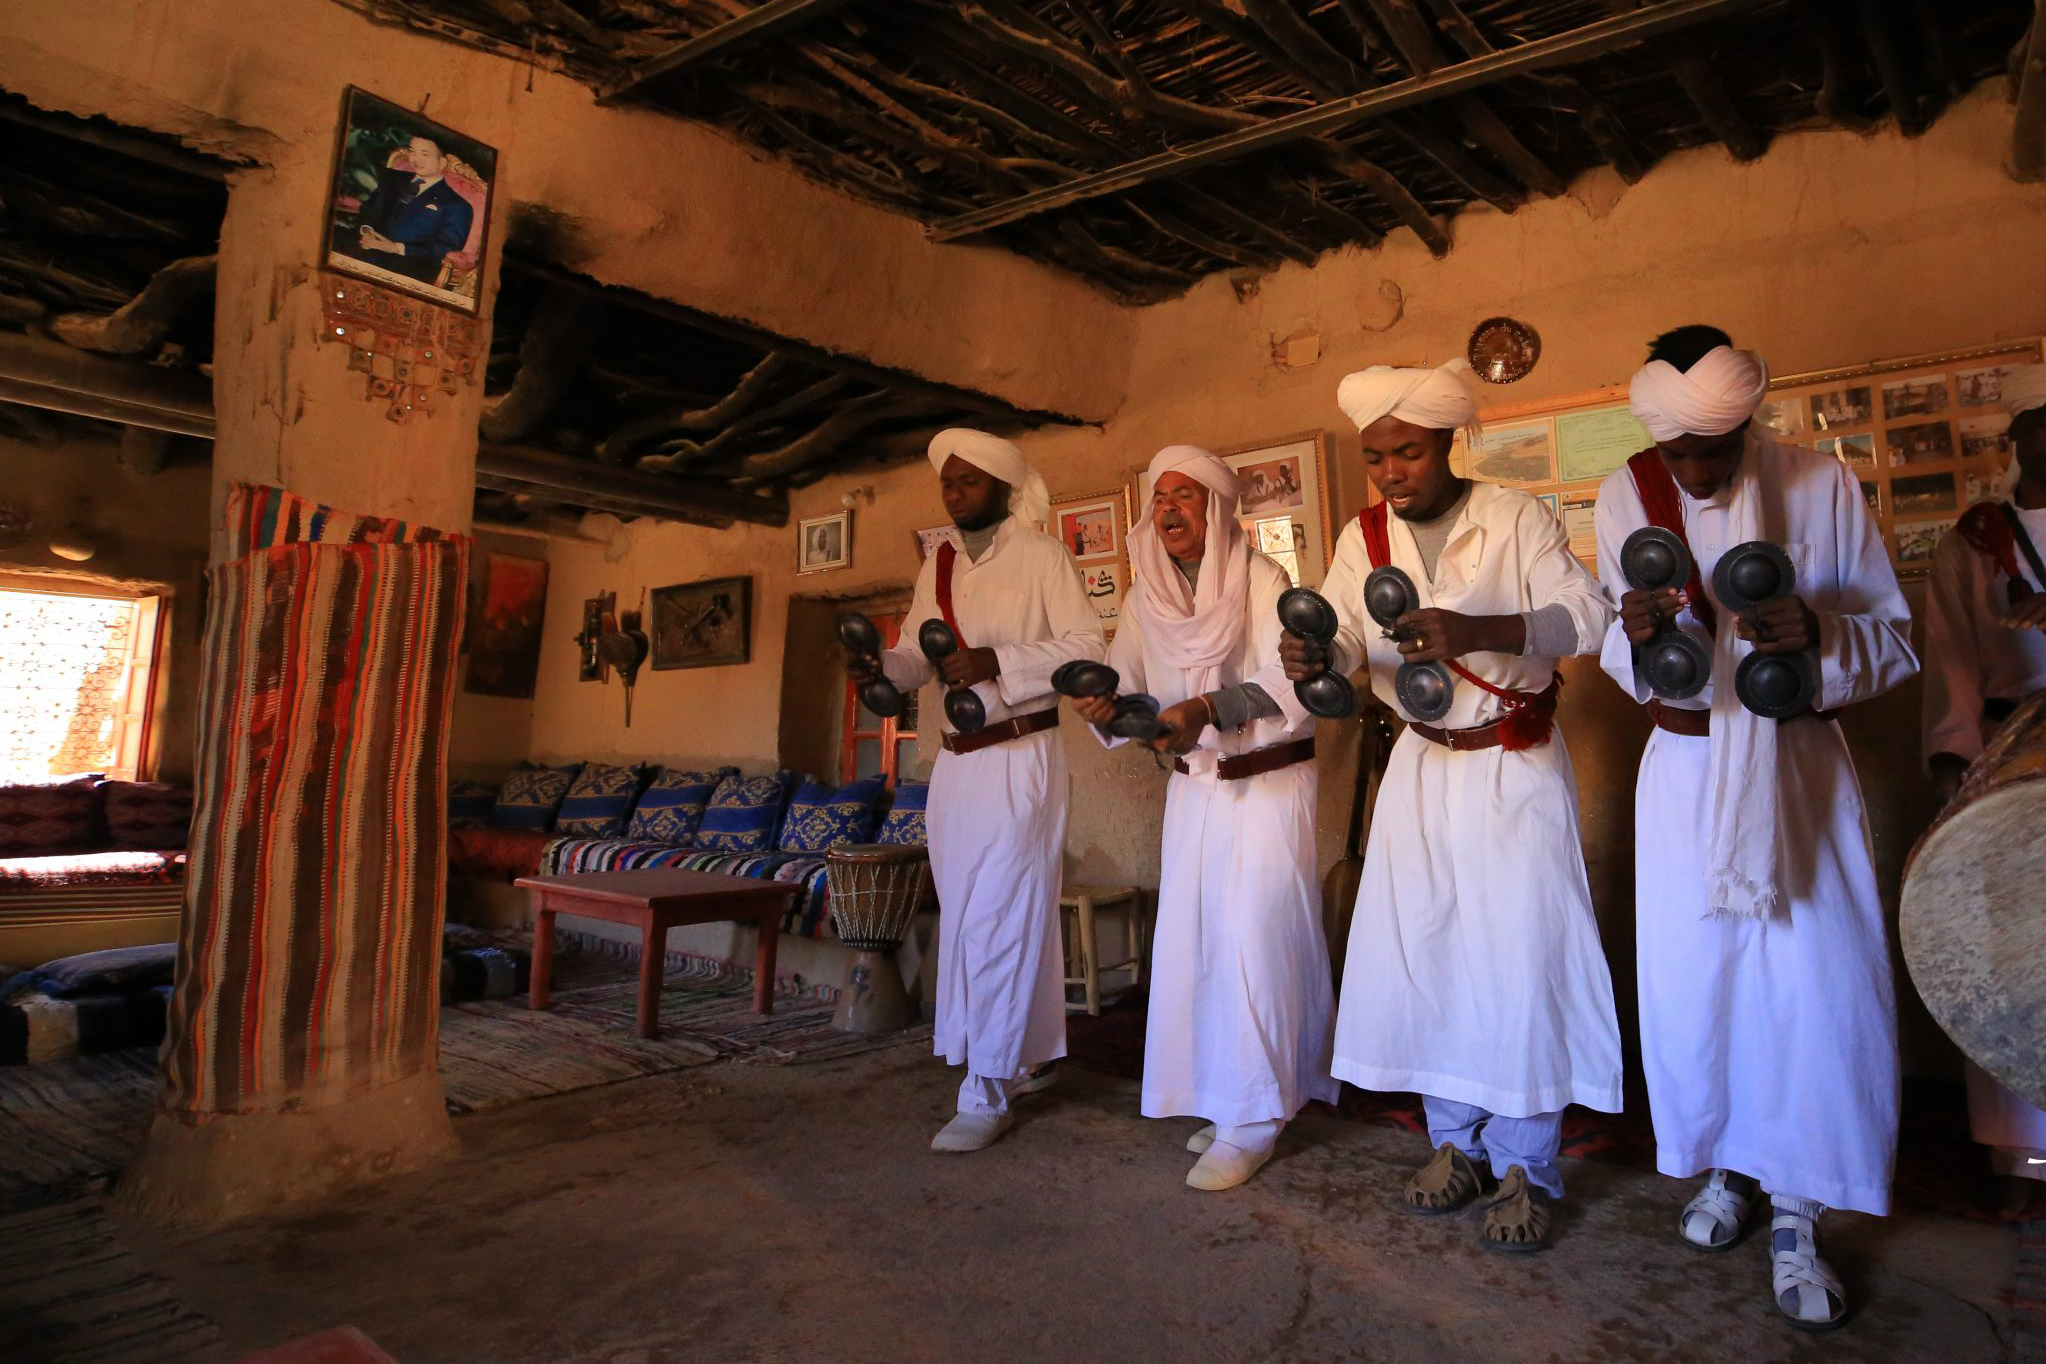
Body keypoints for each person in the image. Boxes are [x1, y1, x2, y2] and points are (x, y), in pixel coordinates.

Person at [1594, 326, 1918, 1330]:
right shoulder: (1624, 494)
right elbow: (1619, 640)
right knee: (1703, 984)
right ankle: (1727, 1169)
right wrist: (1638, 634)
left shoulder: (1820, 485)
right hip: (1687, 774)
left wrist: (1822, 633)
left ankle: (1799, 1206)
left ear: (1749, 421)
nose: (1694, 472)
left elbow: (1895, 639)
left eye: (1715, 449)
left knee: (1809, 989)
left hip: (1796, 773)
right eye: (1680, 452)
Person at [1284, 359, 1622, 1252]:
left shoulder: (1513, 516)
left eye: (1409, 453)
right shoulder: (1364, 536)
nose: (1393, 473)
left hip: (1511, 766)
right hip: (1421, 771)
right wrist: (1319, 654)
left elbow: (1587, 616)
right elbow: (1347, 628)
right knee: (1428, 953)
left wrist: (1482, 631)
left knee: (1518, 964)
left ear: (1448, 445)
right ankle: (1456, 1144)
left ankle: (1527, 1163)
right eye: (1377, 458)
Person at [1065, 445, 1337, 1191]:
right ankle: (1229, 1099)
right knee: (1203, 946)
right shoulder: (1145, 596)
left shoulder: (1262, 580)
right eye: (1161, 499)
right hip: (1195, 790)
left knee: (1256, 941)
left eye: (1186, 497)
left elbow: (1288, 684)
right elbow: (1133, 694)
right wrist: (1109, 709)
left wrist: (1207, 708)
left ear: (1215, 510)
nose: (1171, 510)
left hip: (1269, 787)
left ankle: (1255, 1119)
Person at [850, 429, 1104, 1152]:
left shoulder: (1043, 556)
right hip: (956, 766)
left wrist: (1001, 660)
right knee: (972, 919)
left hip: (1021, 755)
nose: (955, 492)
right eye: (948, 483)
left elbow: (1089, 647)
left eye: (967, 481)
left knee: (1002, 916)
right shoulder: (939, 565)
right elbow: (911, 654)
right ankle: (1029, 1054)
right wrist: (879, 668)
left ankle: (986, 1087)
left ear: (1000, 486)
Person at [1919, 361, 2046, 1213]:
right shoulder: (1975, 539)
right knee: (2009, 952)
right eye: (2036, 428)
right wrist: (1954, 767)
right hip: (2010, 754)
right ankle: (2021, 1156)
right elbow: (1953, 655)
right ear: (2016, 441)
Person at [339, 135, 474, 285]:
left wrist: (395, 248)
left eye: (425, 154)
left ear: (442, 162)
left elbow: (444, 247)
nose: (416, 159)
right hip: (364, 244)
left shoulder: (458, 205)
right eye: (412, 152)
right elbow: (369, 209)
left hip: (409, 263)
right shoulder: (393, 179)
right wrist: (366, 231)